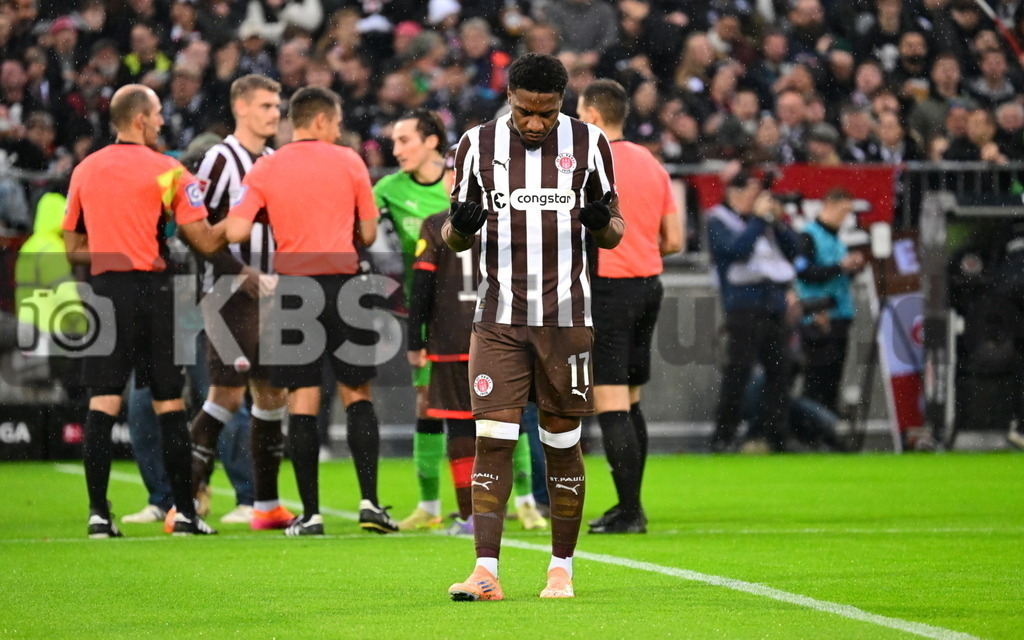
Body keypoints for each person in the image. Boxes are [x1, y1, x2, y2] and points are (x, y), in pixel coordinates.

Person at [443, 53, 624, 601]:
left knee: (562, 444)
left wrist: (599, 220)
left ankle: (561, 568)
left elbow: (616, 230)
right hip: (497, 318)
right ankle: (485, 571)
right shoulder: (476, 145)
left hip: (567, 321)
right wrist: (461, 227)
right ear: (510, 99)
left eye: (547, 112)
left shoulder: (592, 145)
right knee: (492, 440)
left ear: (563, 103)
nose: (536, 123)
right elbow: (453, 236)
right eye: (526, 111)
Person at [226, 86, 397, 536]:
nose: (339, 129)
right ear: (321, 121)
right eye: (337, 121)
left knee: (301, 399)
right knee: (356, 394)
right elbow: (366, 230)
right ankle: (370, 504)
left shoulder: (267, 165)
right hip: (345, 286)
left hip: (294, 288)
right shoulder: (349, 161)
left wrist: (275, 218)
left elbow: (238, 228)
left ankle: (312, 514)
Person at [62, 83, 227, 537]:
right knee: (169, 402)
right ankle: (186, 515)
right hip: (155, 294)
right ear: (140, 119)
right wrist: (242, 216)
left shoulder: (86, 170)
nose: (161, 121)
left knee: (102, 400)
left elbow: (72, 246)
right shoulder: (168, 170)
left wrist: (112, 251)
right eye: (155, 115)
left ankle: (98, 515)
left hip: (104, 292)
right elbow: (206, 240)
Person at [376, 111, 545, 533]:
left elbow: (424, 283)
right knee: (501, 416)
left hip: (450, 332)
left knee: (462, 419)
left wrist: (416, 337)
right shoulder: (510, 220)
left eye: (404, 139)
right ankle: (482, 504)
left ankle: (482, 511)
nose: (397, 150)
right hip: (497, 328)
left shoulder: (438, 224)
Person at [184, 74, 292, 531]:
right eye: (267, 105)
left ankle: (265, 506)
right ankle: (183, 502)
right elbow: (194, 228)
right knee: (227, 394)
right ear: (241, 107)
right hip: (228, 293)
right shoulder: (217, 159)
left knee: (272, 393)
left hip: (269, 291)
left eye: (277, 106)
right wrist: (239, 273)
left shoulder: (272, 160)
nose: (275, 113)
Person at [576, 78, 682, 535]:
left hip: (608, 289)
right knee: (632, 401)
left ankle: (629, 510)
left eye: (580, 117)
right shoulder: (651, 162)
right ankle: (631, 506)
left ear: (594, 117)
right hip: (647, 286)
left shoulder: (587, 163)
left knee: (611, 402)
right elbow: (674, 240)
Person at [707, 171, 800, 453]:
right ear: (733, 194)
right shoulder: (718, 220)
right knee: (738, 372)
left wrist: (778, 222)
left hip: (773, 304)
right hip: (742, 306)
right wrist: (759, 220)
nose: (757, 200)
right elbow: (737, 250)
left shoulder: (764, 223)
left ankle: (775, 434)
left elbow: (794, 250)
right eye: (751, 193)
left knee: (781, 372)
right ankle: (724, 436)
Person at [795, 188, 865, 412]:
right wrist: (839, 267)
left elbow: (836, 274)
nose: (846, 217)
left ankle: (825, 429)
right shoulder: (808, 236)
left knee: (833, 378)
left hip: (839, 314)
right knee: (817, 378)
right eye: (843, 211)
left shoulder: (836, 239)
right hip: (819, 317)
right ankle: (808, 431)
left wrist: (852, 267)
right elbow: (804, 273)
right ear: (828, 205)